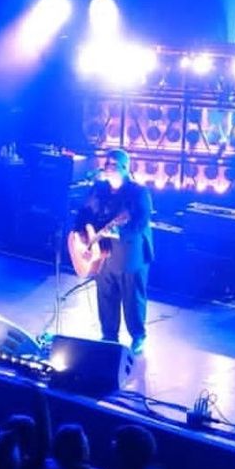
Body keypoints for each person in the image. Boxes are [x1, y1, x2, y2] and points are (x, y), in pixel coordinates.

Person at [74, 149, 154, 355]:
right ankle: (109, 335)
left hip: (130, 251)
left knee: (131, 294)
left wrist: (120, 232)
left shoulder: (138, 192)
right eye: (106, 163)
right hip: (104, 251)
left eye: (112, 164)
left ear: (125, 168)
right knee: (105, 291)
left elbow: (140, 221)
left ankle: (138, 335)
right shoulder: (99, 189)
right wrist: (81, 235)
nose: (107, 168)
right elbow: (85, 212)